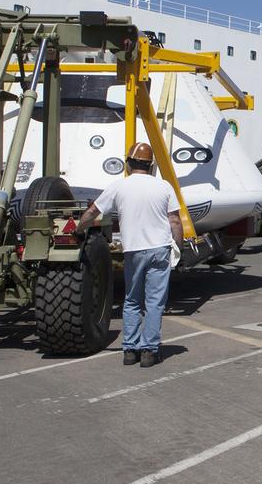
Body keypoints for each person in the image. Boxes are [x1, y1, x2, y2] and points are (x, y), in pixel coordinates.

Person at [76, 142, 182, 368]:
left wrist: (77, 229)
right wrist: (179, 247)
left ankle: (129, 350)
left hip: (133, 250)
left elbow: (93, 212)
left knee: (132, 300)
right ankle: (149, 352)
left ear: (128, 163)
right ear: (151, 165)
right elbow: (174, 221)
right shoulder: (164, 187)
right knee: (154, 303)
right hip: (159, 249)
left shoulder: (118, 187)